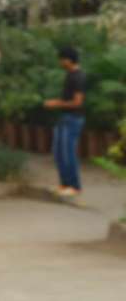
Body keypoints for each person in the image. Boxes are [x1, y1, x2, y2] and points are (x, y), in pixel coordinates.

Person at [44, 46, 86, 197]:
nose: (60, 62)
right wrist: (59, 103)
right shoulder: (70, 75)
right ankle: (64, 183)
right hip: (64, 117)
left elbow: (77, 102)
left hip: (73, 118)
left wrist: (56, 103)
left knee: (68, 152)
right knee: (58, 152)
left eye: (62, 59)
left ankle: (74, 185)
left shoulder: (78, 77)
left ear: (69, 60)